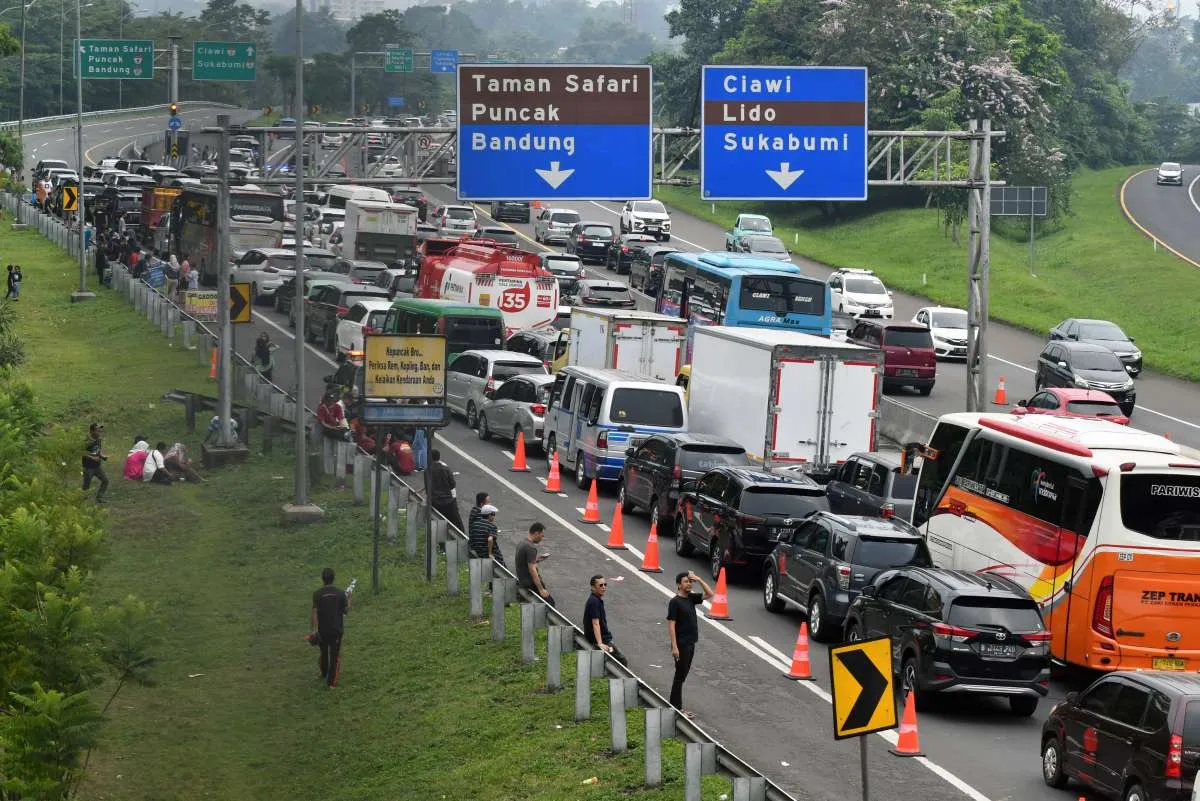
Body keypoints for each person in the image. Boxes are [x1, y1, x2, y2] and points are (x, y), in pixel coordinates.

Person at [666, 570, 714, 718]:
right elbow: (671, 624)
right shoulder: (675, 602)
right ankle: (676, 707)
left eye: (690, 581)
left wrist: (698, 579)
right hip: (681, 644)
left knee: (683, 675)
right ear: (678, 585)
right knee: (680, 675)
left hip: (691, 643)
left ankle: (676, 705)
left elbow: (710, 594)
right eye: (686, 581)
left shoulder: (691, 598)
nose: (689, 584)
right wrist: (674, 646)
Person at [310, 567, 351, 689]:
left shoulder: (317, 594)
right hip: (336, 630)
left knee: (323, 652)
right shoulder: (340, 594)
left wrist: (313, 630)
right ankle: (331, 683)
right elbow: (346, 611)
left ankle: (323, 673)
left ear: (323, 579)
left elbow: (314, 612)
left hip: (322, 630)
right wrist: (349, 600)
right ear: (333, 578)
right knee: (334, 655)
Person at [584, 574, 628, 667]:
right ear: (593, 587)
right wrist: (600, 643)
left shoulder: (596, 599)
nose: (603, 587)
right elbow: (595, 623)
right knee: (622, 661)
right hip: (602, 640)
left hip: (603, 637)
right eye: (600, 585)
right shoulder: (594, 602)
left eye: (605, 584)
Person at [515, 522, 553, 606]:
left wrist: (537, 560)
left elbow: (524, 561)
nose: (542, 538)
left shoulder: (522, 543)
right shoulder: (531, 547)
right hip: (529, 582)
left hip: (522, 579)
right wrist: (541, 589)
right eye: (542, 535)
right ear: (536, 533)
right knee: (550, 604)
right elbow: (532, 570)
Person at [427, 449, 464, 535]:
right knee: (456, 522)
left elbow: (427, 488)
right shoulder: (446, 469)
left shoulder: (428, 470)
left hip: (434, 501)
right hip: (448, 500)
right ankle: (461, 537)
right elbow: (452, 484)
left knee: (437, 523)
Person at [467, 502, 507, 567]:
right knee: (503, 571)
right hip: (489, 554)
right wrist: (490, 554)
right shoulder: (492, 526)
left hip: (476, 552)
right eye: (493, 514)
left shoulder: (474, 524)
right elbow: (490, 539)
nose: (494, 516)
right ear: (489, 515)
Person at [82, 423, 109, 503]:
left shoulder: (98, 440)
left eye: (100, 431)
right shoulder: (86, 441)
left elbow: (97, 451)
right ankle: (82, 500)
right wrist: (93, 457)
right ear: (91, 431)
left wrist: (102, 456)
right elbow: (82, 452)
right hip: (88, 467)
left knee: (105, 481)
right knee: (86, 486)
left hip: (97, 466)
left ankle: (99, 498)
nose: (99, 432)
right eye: (97, 431)